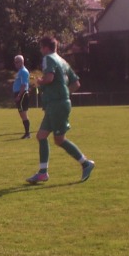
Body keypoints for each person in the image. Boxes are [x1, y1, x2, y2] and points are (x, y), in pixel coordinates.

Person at [26, 36, 94, 184]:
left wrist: (40, 81)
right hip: (56, 103)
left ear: (45, 47)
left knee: (59, 139)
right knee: (41, 136)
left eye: (41, 47)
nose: (40, 50)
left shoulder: (48, 58)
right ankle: (43, 173)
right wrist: (63, 94)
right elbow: (76, 84)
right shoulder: (63, 61)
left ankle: (85, 163)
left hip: (56, 104)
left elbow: (49, 78)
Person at [12, 55, 32, 138]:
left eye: (17, 62)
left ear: (21, 62)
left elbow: (24, 85)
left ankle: (27, 133)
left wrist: (19, 95)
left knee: (23, 114)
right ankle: (27, 133)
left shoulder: (23, 71)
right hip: (20, 93)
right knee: (22, 114)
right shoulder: (20, 71)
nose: (15, 64)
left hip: (22, 94)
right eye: (15, 62)